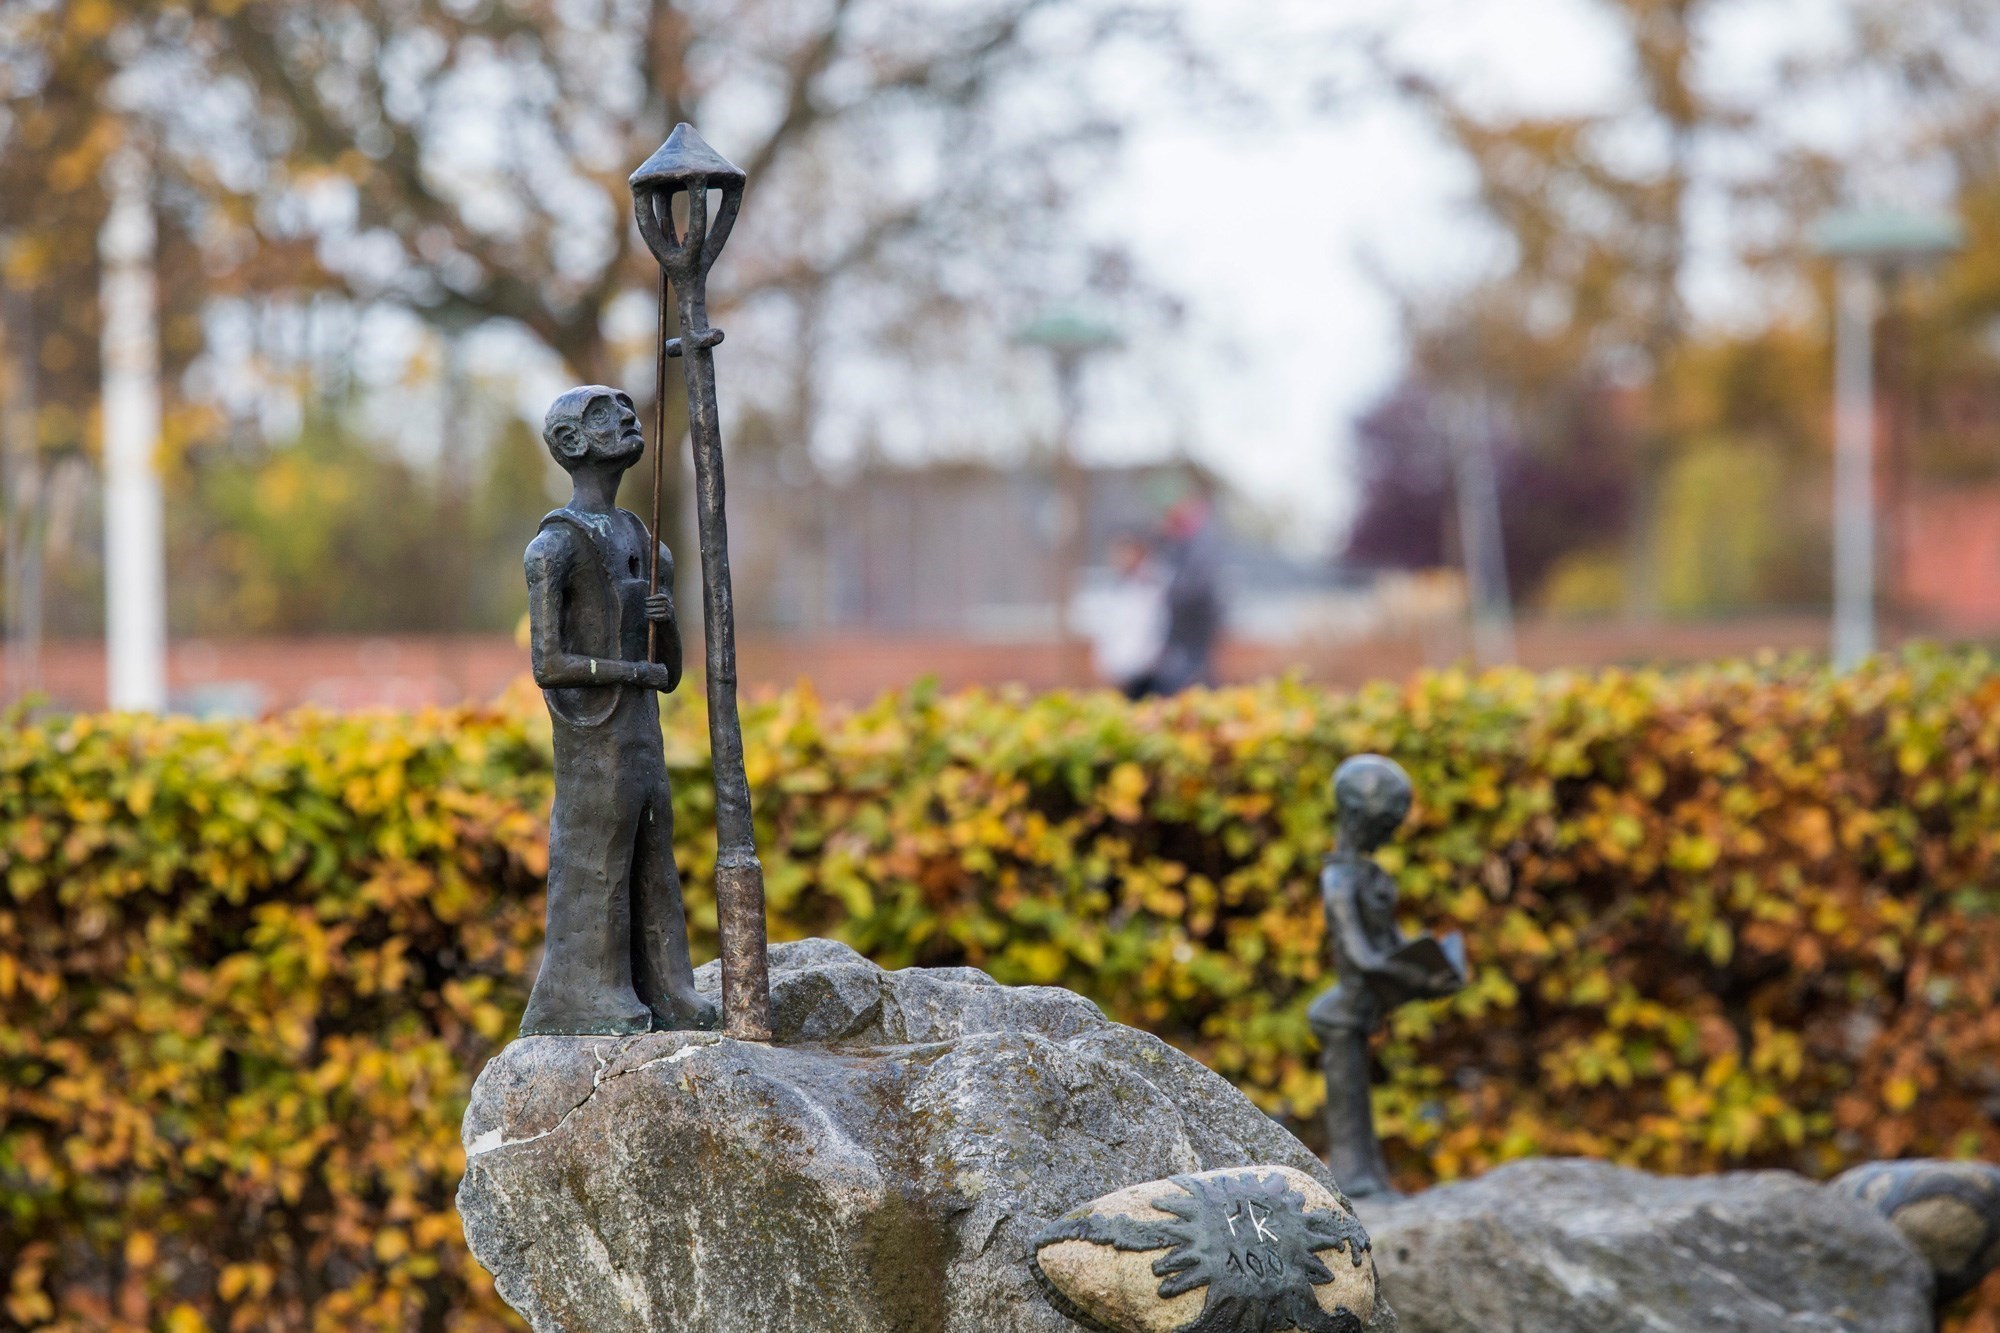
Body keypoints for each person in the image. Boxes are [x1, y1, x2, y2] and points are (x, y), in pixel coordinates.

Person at [518, 385, 718, 1036]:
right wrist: (630, 670)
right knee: (598, 856)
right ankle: (591, 993)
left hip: (641, 736)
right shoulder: (554, 548)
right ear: (571, 443)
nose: (629, 420)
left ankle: (669, 986)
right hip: (595, 741)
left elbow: (673, 673)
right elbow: (549, 665)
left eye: (628, 408)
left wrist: (666, 626)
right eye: (605, 414)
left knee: (655, 855)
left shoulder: (644, 540)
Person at [1310, 754, 1464, 1198]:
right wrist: (1419, 980)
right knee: (1350, 1108)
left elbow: (1391, 945)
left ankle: (1370, 1178)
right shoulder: (1338, 881)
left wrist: (1433, 967)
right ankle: (1355, 1183)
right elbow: (1362, 958)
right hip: (1341, 1014)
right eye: (1385, 826)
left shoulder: (1369, 874)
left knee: (1360, 1106)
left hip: (1360, 1009)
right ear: (1358, 818)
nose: (1390, 835)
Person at [1144, 489, 1223, 695]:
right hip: (1182, 626)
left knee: (1190, 677)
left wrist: (1169, 592)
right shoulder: (1179, 543)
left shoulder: (1198, 542)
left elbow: (1197, 584)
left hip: (1193, 623)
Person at [1088, 531, 1169, 698]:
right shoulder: (1113, 591)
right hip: (1117, 675)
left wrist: (1137, 667)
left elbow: (1152, 634)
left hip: (1143, 676)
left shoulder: (1151, 591)